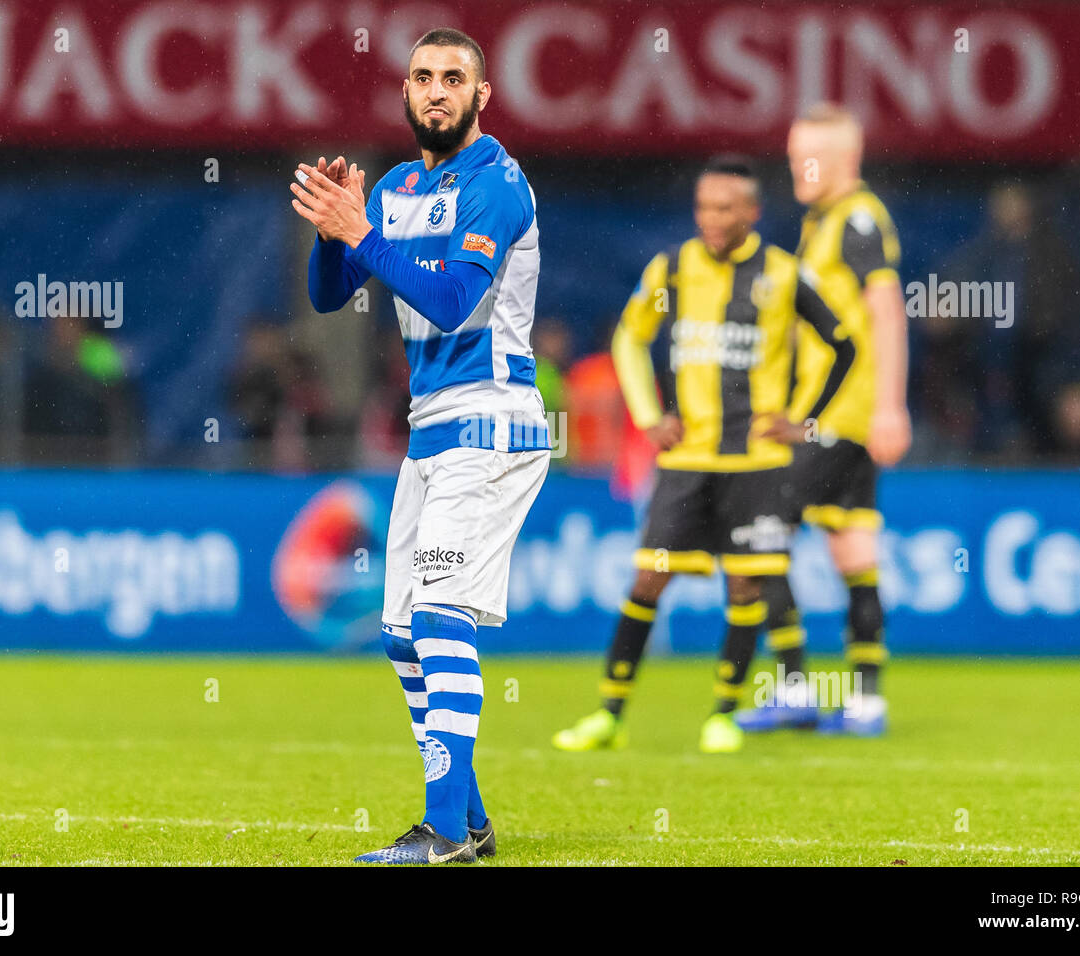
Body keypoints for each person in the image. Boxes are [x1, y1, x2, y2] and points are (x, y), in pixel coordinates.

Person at [292, 28, 550, 864]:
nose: (436, 90)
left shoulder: (498, 185)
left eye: (453, 78)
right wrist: (338, 232)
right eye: (422, 77)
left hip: (493, 423)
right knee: (402, 634)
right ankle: (468, 826)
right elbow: (332, 297)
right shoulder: (401, 186)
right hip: (432, 433)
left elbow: (450, 302)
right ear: (405, 95)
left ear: (482, 96)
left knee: (439, 616)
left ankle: (441, 832)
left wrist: (360, 232)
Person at [552, 157, 854, 754]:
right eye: (704, 208)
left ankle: (723, 712)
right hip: (687, 461)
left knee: (746, 588)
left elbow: (842, 343)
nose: (712, 219)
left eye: (725, 209)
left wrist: (805, 420)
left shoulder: (782, 274)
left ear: (751, 213)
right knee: (648, 579)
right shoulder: (672, 269)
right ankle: (609, 714)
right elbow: (629, 338)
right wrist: (646, 416)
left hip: (757, 466)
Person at [743, 103, 911, 736]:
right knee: (853, 549)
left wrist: (891, 406)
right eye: (791, 157)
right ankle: (866, 699)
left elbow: (888, 312)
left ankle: (793, 686)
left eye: (806, 157)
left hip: (841, 418)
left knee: (758, 530)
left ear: (846, 159)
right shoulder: (824, 224)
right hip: (833, 417)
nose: (796, 168)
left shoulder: (858, 221)